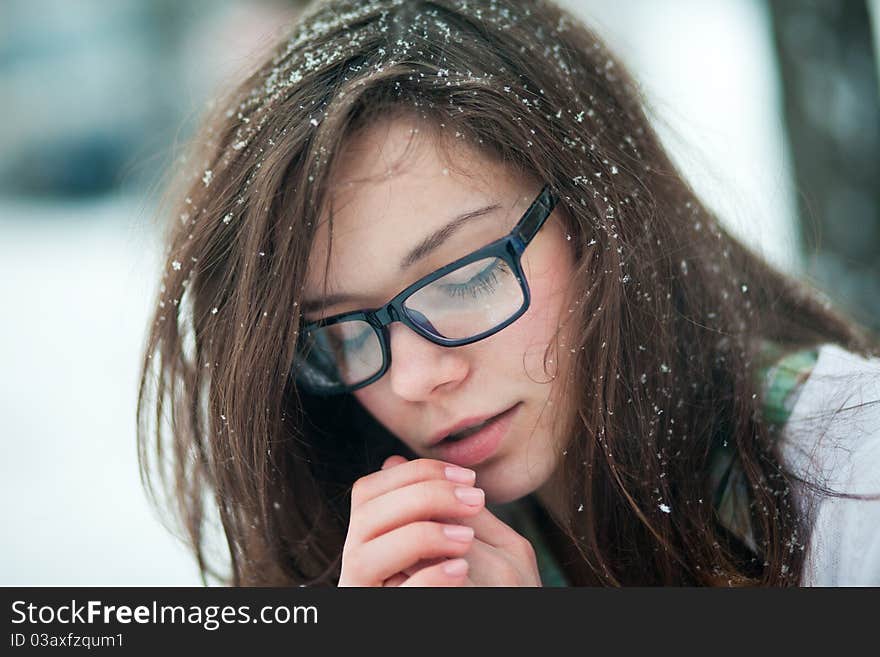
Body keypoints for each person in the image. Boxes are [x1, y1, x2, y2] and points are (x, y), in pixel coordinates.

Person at [138, 0, 880, 586]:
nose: (415, 376)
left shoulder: (851, 483)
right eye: (342, 328)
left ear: (600, 218)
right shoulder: (360, 548)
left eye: (466, 276)